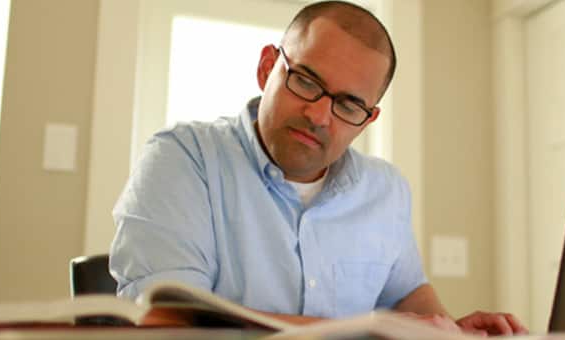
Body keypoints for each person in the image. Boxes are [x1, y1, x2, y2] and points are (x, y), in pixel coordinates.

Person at [109, 0, 527, 336]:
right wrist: (371, 332)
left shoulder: (386, 190)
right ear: (266, 67)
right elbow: (167, 324)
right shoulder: (183, 160)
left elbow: (406, 296)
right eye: (306, 81)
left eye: (347, 105)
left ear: (368, 120)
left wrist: (449, 332)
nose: (319, 115)